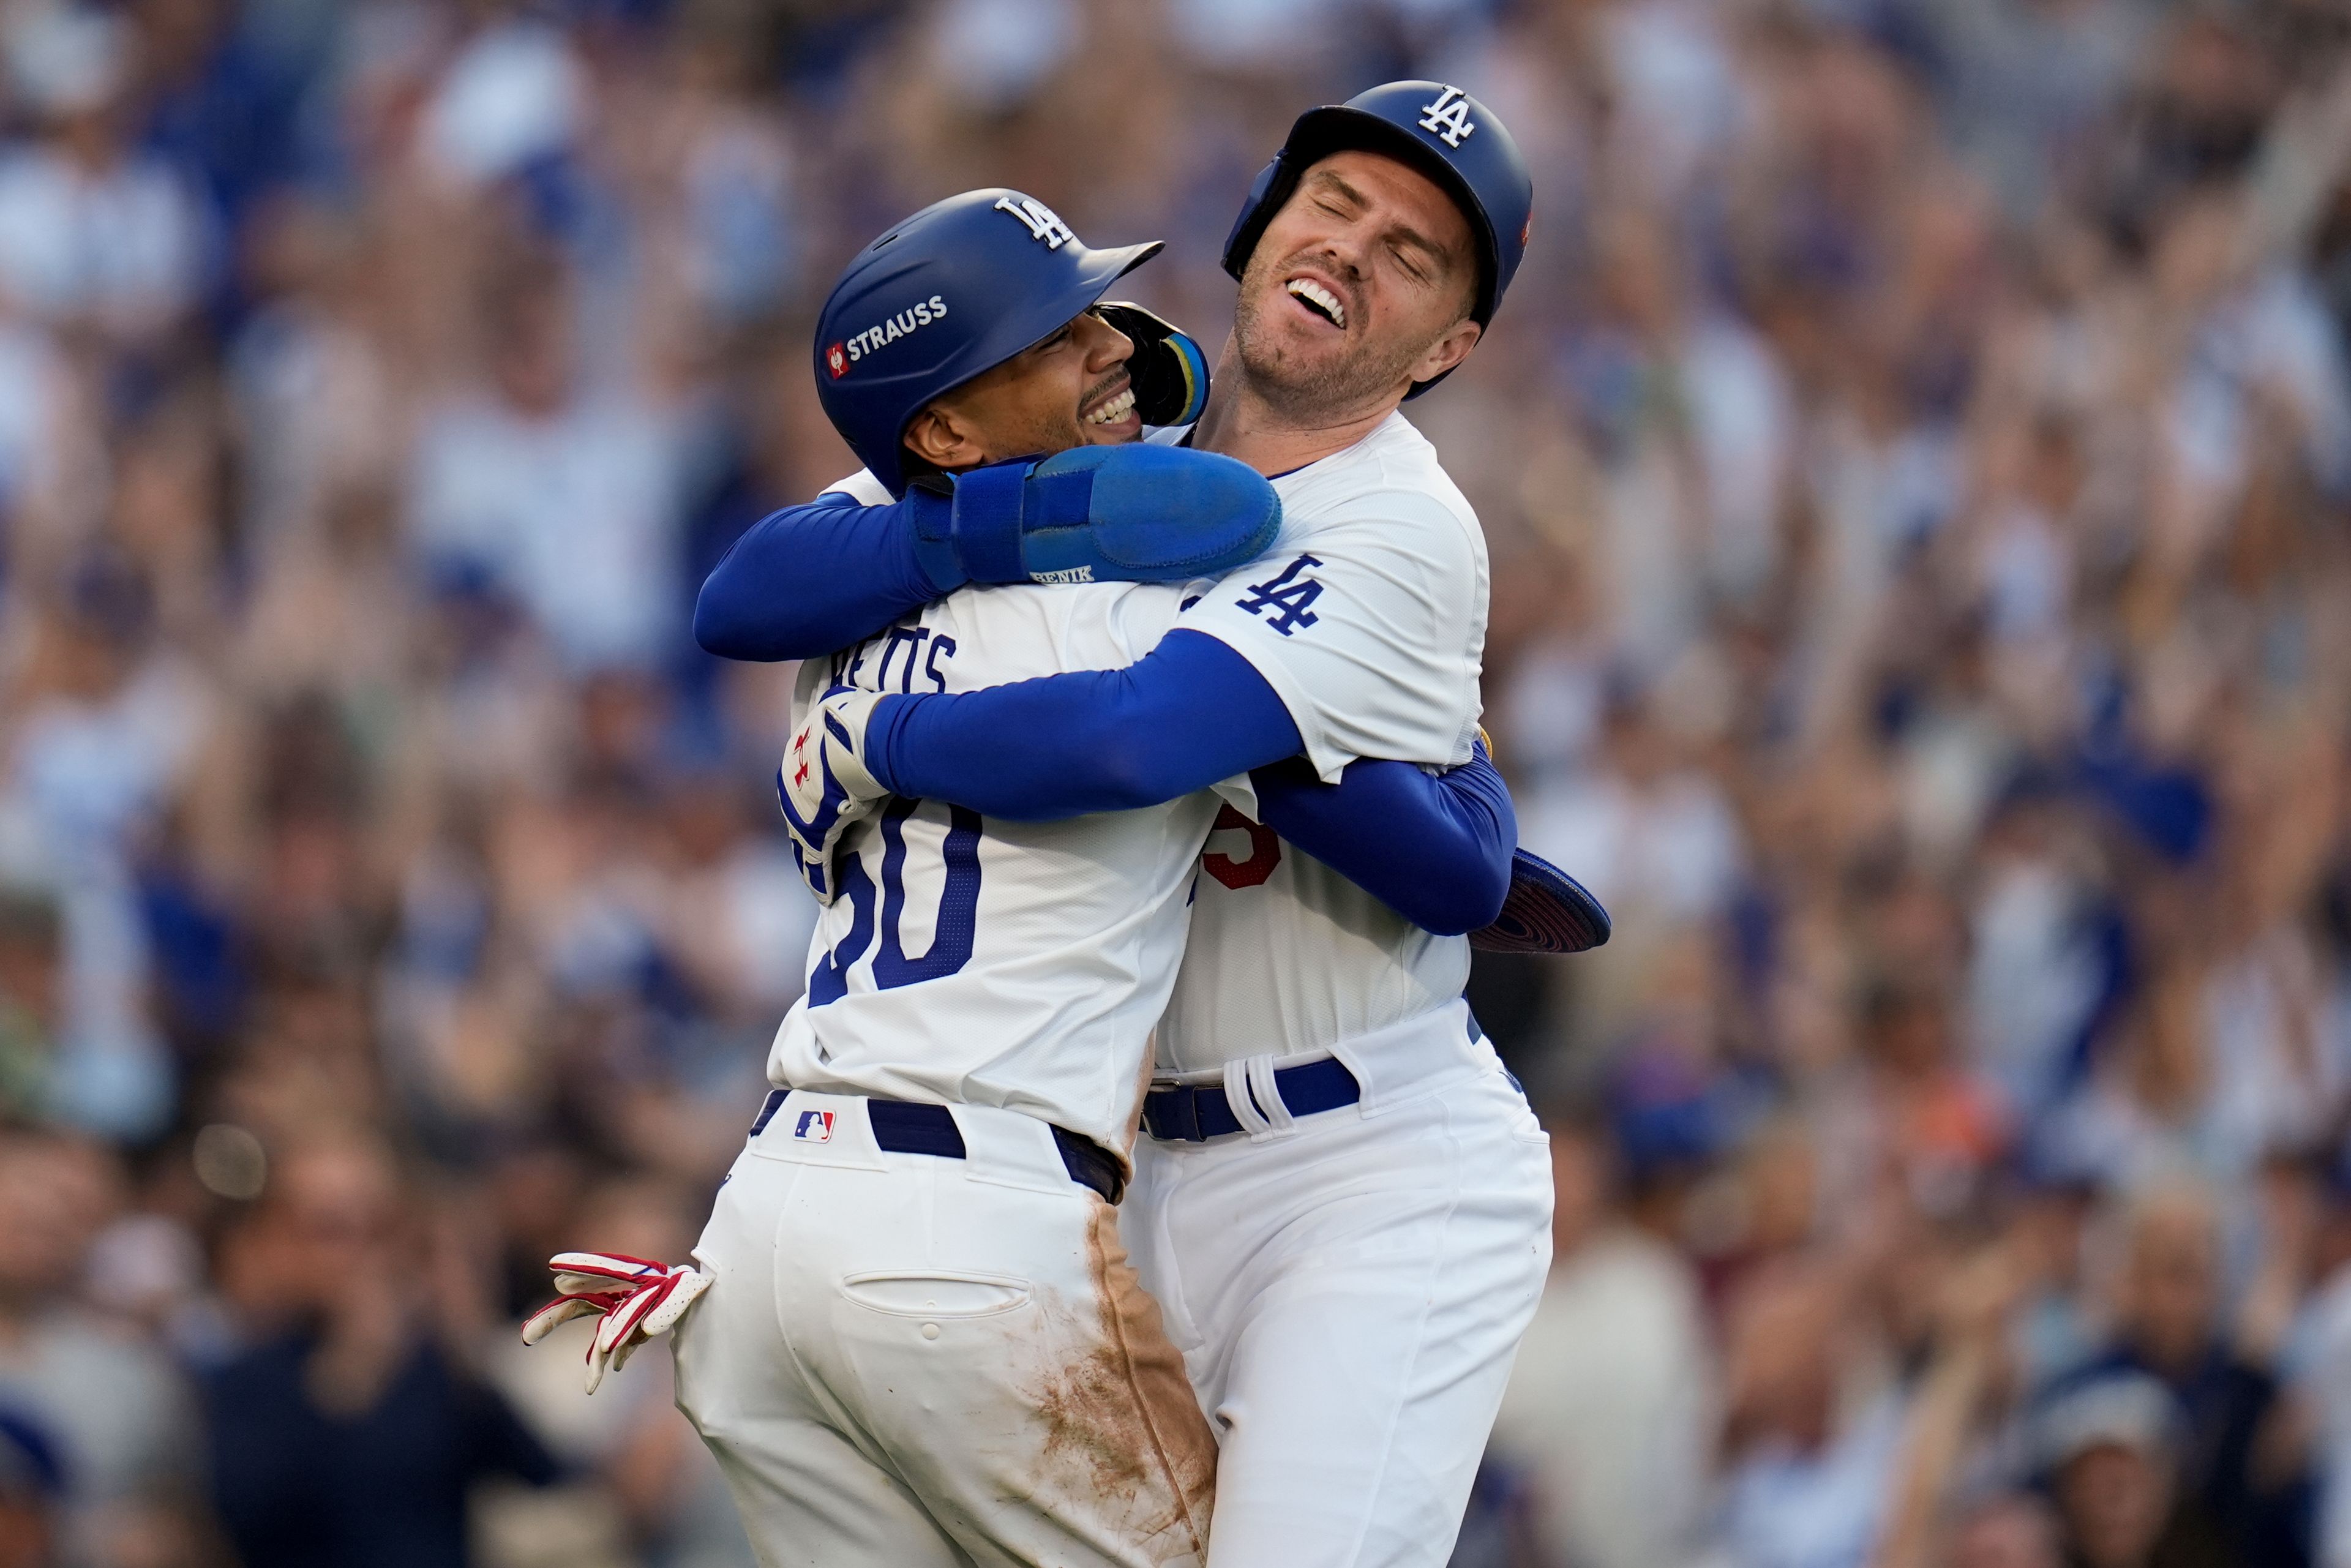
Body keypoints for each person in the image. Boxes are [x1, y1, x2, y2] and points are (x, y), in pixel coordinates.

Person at [542, 184, 1531, 1566]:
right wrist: (1468, 790)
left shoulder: (880, 580)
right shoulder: (1144, 574)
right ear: (946, 430)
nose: (1116, 345)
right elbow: (1165, 710)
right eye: (1061, 334)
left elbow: (742, 596)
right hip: (971, 1234)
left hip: (771, 1226)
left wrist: (883, 711)